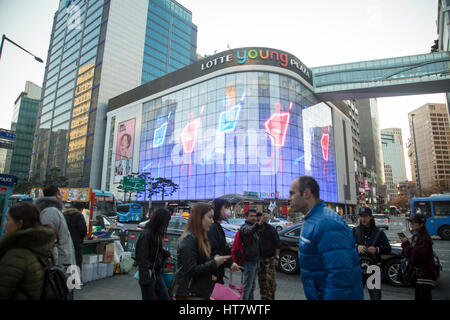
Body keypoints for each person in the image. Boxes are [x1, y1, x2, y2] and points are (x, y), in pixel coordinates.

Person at [288, 176, 363, 300]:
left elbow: (341, 277)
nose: (288, 198)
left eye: (292, 193)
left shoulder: (327, 223)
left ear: (306, 193)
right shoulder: (311, 220)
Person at [0, 203, 56, 300]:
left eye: (8, 219)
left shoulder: (16, 255)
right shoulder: (41, 248)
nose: (5, 223)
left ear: (19, 223)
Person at [173, 202, 230, 300]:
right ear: (199, 218)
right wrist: (214, 263)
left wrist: (215, 259)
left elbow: (203, 261)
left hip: (201, 292)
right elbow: (191, 270)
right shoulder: (189, 239)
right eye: (209, 217)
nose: (212, 222)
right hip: (189, 293)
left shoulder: (202, 237)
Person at [352, 207, 391, 300]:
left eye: (365, 216)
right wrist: (357, 247)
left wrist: (377, 250)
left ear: (370, 217)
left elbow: (388, 248)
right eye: (361, 216)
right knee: (355, 294)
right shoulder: (355, 231)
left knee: (375, 295)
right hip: (358, 267)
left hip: (374, 268)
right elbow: (347, 246)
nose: (363, 219)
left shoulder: (379, 232)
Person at [135, 207, 172, 300]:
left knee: (165, 297)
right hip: (149, 275)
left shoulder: (156, 234)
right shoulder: (147, 234)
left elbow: (158, 250)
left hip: (156, 274)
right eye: (165, 223)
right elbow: (141, 256)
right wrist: (145, 277)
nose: (166, 226)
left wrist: (166, 254)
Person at [35, 185, 76, 266]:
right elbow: (49, 242)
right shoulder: (51, 212)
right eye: (61, 194)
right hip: (60, 264)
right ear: (57, 195)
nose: (62, 197)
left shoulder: (53, 211)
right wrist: (55, 267)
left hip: (62, 262)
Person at [399, 214, 436, 300]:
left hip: (424, 277)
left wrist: (406, 244)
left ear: (421, 224)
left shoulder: (424, 239)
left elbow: (416, 257)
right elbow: (409, 254)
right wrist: (406, 246)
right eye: (410, 222)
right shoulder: (416, 236)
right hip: (419, 277)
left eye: (414, 222)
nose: (411, 224)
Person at [207, 198, 239, 285]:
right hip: (213, 274)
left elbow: (223, 249)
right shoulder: (213, 227)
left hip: (218, 272)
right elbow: (214, 250)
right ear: (217, 208)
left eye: (229, 208)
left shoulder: (218, 226)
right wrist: (229, 262)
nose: (228, 210)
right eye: (225, 207)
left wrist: (231, 262)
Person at [256, 211, 280, 300]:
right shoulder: (255, 229)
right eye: (259, 219)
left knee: (270, 281)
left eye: (262, 218)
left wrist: (276, 258)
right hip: (259, 259)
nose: (261, 220)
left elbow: (277, 244)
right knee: (261, 281)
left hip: (270, 259)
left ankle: (271, 298)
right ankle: (264, 297)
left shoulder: (271, 229)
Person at [240, 208, 262, 300]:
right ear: (246, 217)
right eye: (251, 216)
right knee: (247, 287)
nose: (254, 218)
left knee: (252, 287)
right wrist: (258, 224)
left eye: (255, 216)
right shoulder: (245, 227)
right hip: (249, 261)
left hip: (256, 260)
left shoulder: (255, 227)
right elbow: (248, 231)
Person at [63, 203, 88, 272]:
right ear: (81, 209)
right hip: (76, 243)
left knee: (66, 262)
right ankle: (75, 280)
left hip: (65, 242)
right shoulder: (79, 215)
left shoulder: (63, 214)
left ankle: (64, 279)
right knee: (77, 262)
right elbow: (83, 230)